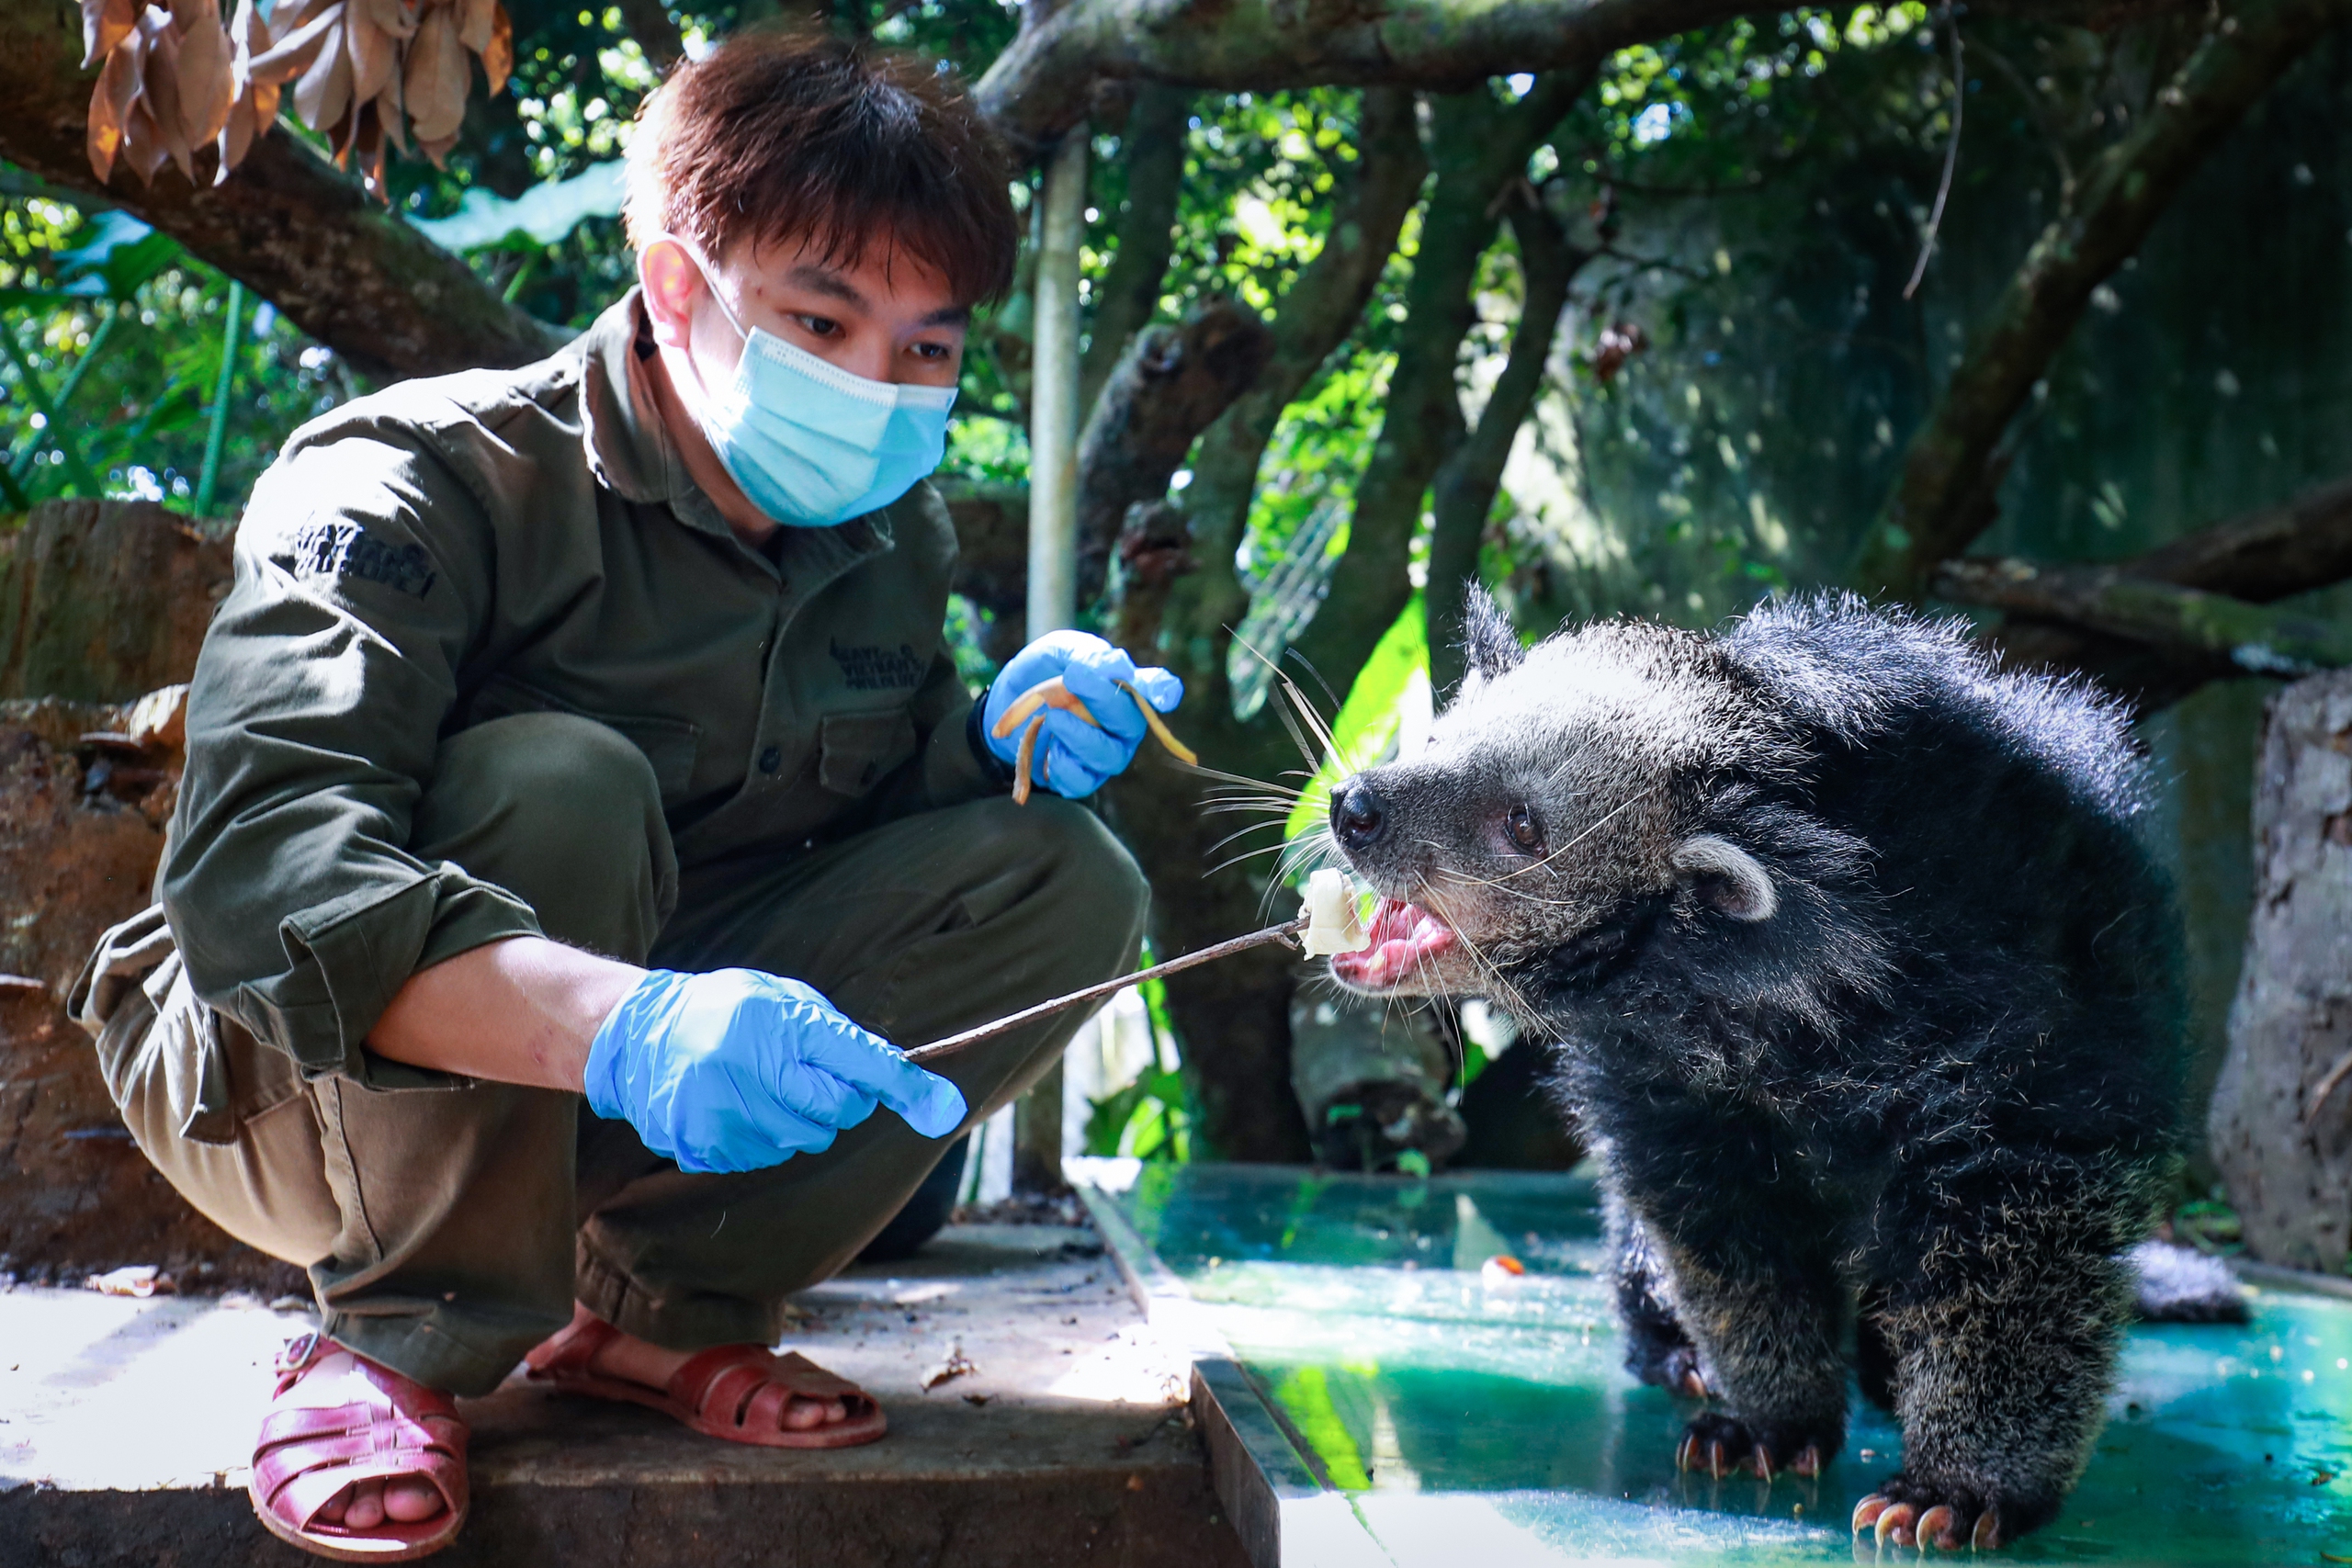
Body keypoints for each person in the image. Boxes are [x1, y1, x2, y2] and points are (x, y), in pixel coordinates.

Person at [70, 28, 1178, 1562]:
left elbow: (869, 823)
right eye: (821, 318)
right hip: (279, 1072)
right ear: (674, 285)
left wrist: (1002, 741)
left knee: (1069, 878)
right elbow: (262, 873)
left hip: (620, 1078)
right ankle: (399, 1334)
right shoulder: (411, 480)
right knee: (556, 780)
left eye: (927, 346)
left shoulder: (887, 535)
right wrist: (623, 1024)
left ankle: (661, 1309)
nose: (878, 385)